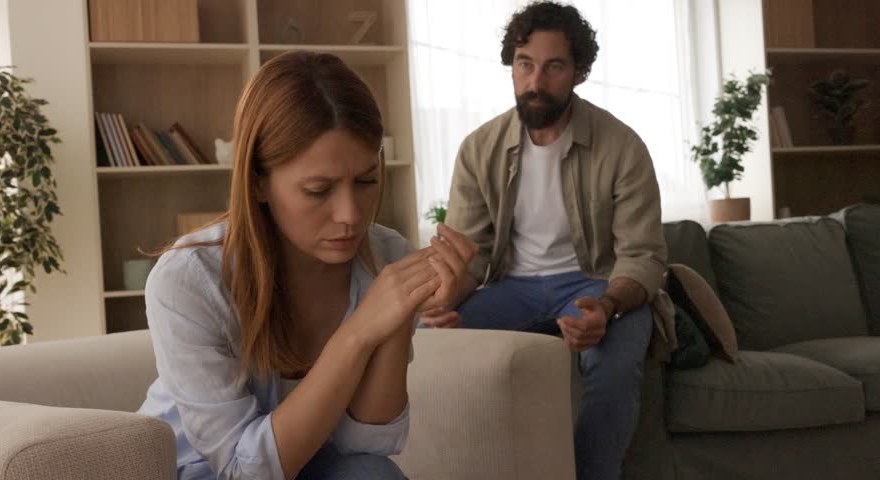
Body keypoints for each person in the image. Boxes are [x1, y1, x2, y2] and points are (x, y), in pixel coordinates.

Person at [138, 51, 475, 480]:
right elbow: (243, 470)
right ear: (258, 182)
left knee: (371, 474)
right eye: (319, 190)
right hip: (200, 471)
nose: (351, 215)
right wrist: (357, 333)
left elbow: (367, 444)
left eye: (367, 181)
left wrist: (397, 313)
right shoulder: (191, 278)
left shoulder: (385, 254)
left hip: (311, 464)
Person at [420, 3, 669, 479]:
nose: (536, 81)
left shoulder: (622, 146)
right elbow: (471, 252)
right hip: (513, 288)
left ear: (578, 72)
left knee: (613, 374)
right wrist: (446, 298)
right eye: (524, 64)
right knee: (425, 341)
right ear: (511, 68)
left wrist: (611, 305)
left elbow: (643, 256)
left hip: (595, 284)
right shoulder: (478, 149)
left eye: (554, 66)